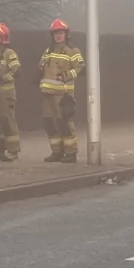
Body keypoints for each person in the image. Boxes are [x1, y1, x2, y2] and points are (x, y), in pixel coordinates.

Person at [36, 19, 84, 163]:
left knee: (65, 123)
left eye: (61, 33)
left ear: (66, 34)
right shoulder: (47, 51)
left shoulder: (72, 51)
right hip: (47, 94)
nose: (58, 36)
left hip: (63, 95)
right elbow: (41, 67)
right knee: (49, 123)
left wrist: (66, 75)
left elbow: (80, 68)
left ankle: (71, 153)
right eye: (56, 33)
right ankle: (56, 152)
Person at [0, 22, 22, 161]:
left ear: (3, 38)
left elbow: (17, 71)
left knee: (7, 122)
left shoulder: (9, 53)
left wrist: (3, 78)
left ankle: (13, 151)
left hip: (5, 95)